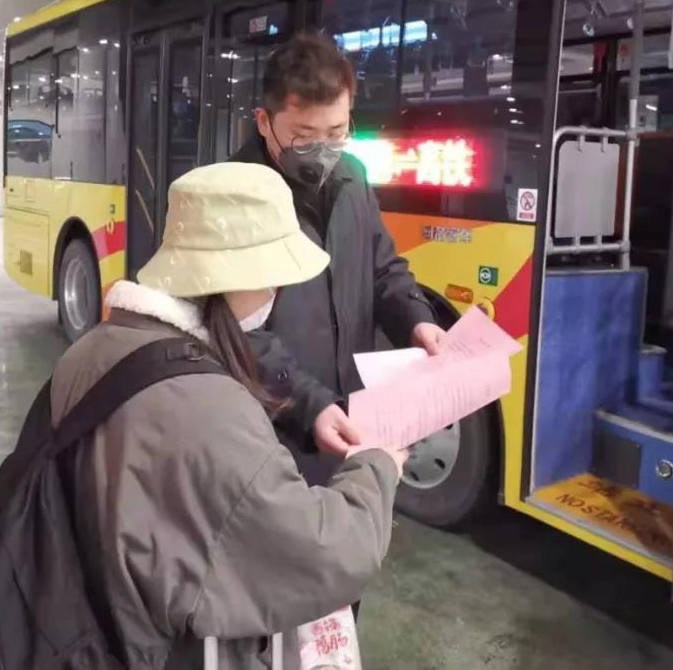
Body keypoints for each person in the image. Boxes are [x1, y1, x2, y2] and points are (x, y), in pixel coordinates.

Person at [51, 162, 407, 668]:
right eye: (273, 280)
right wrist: (378, 465)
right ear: (236, 278)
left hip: (92, 625)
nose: (276, 295)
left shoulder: (93, 350)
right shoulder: (210, 407)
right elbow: (321, 552)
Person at [234, 33, 446, 480]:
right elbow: (237, 330)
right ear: (263, 122)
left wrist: (417, 321)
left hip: (352, 417)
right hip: (271, 434)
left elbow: (384, 269)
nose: (323, 152)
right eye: (303, 137)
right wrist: (311, 405)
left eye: (336, 133)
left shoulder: (353, 177)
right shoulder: (235, 197)